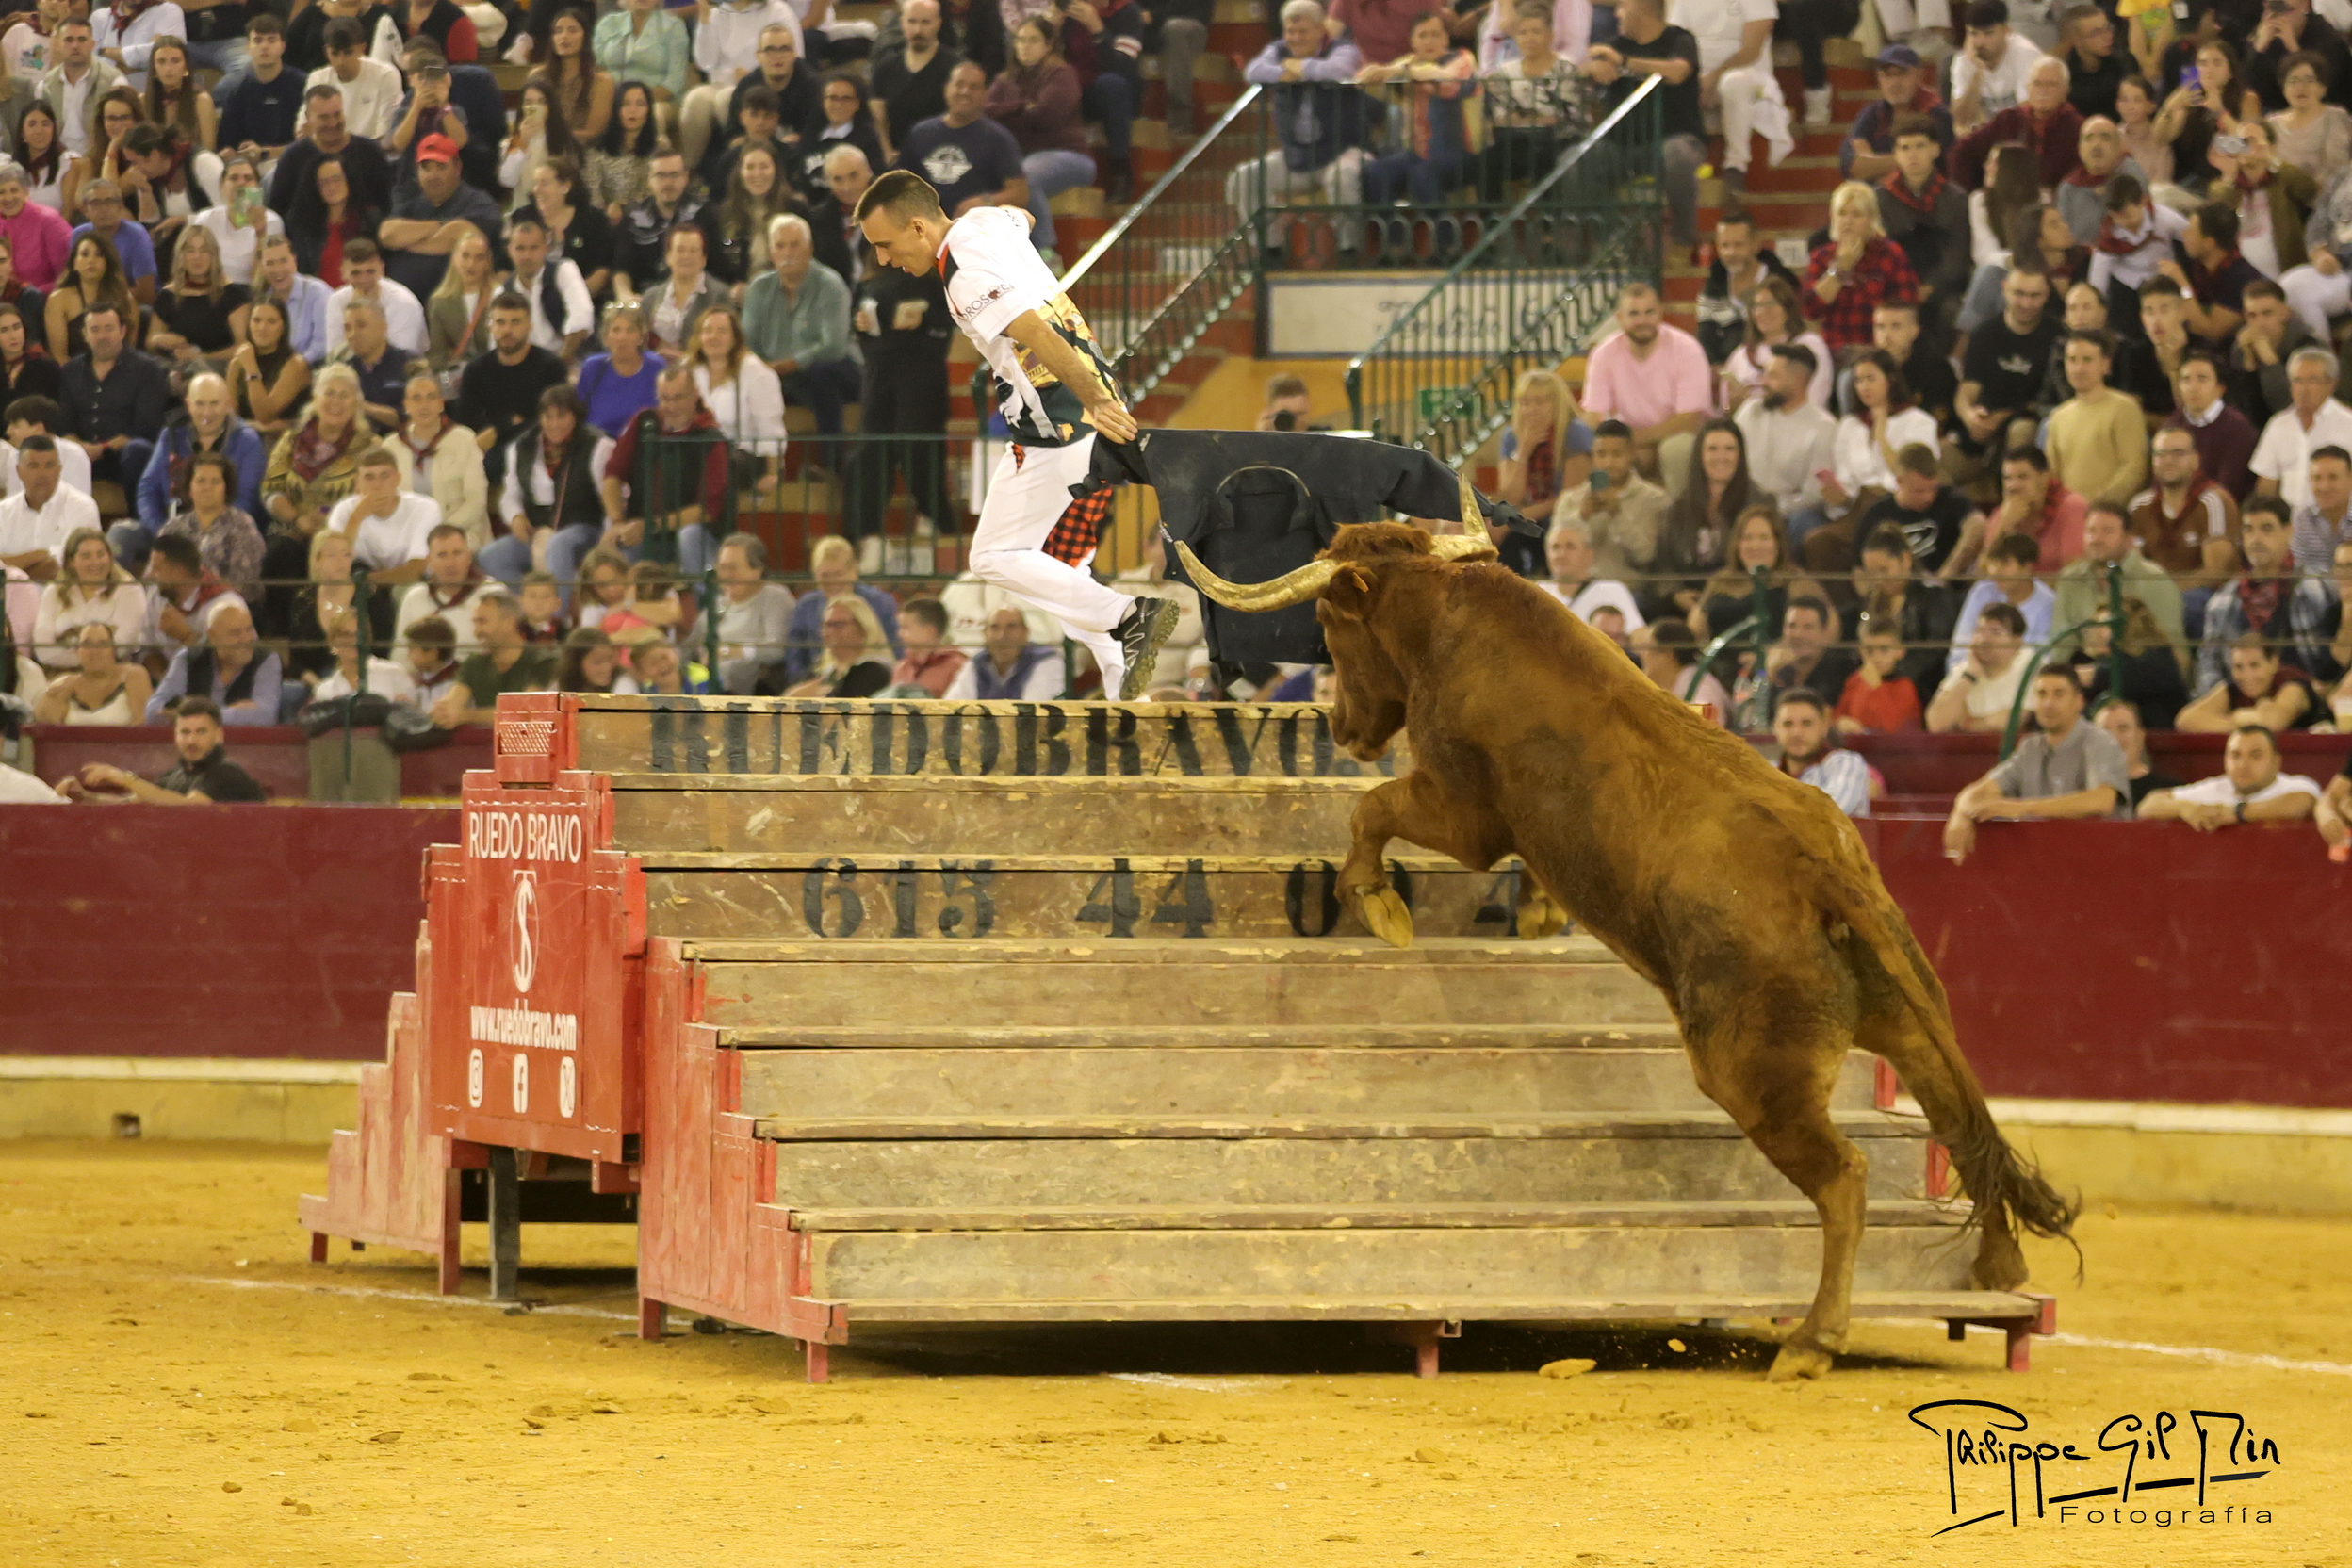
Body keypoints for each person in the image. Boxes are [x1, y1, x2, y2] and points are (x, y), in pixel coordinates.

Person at [843, 202, 950, 561]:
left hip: (920, 375)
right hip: (879, 375)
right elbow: (861, 322)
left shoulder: (930, 275)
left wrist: (924, 319)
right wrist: (860, 325)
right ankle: (868, 533)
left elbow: (948, 319)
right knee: (871, 452)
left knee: (918, 448)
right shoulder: (868, 280)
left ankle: (933, 516)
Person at [1943, 663, 2130, 860]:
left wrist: (2021, 807)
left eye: (2058, 694)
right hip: (2044, 861)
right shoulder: (2030, 749)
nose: (2048, 703)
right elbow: (1979, 791)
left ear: (2078, 701)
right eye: (2041, 694)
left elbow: (2102, 800)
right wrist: (1960, 814)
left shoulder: (2100, 742)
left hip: (2101, 859)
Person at [743, 211, 860, 461]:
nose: (787, 253)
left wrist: (787, 365)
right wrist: (762, 369)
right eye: (780, 246)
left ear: (810, 249)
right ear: (771, 253)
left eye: (795, 245)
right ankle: (750, 465)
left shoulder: (830, 285)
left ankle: (832, 463)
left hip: (833, 369)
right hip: (778, 374)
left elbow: (834, 347)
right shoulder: (759, 288)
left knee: (822, 374)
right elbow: (748, 343)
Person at [1581, 281, 1712, 480]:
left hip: (1677, 435)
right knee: (1593, 447)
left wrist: (1635, 439)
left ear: (1660, 312)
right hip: (1628, 438)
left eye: (1649, 312)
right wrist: (1622, 444)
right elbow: (1593, 416)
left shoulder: (1687, 350)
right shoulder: (1604, 353)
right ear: (1620, 318)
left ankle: (1681, 502)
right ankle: (1599, 498)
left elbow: (1689, 420)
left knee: (1676, 449)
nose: (1643, 320)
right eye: (1634, 314)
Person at [485, 383, 610, 591]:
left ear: (575, 416)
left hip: (584, 527)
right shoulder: (521, 447)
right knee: (490, 556)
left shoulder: (598, 446)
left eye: (561, 416)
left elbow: (611, 500)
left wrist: (608, 539)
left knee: (559, 544)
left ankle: (558, 608)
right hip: (538, 529)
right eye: (548, 417)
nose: (554, 424)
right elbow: (510, 494)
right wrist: (516, 517)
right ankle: (531, 604)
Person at [1951, 267, 2062, 480]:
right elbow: (1968, 389)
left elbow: (2051, 401)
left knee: (2020, 430)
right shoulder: (1984, 334)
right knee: (1936, 460)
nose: (2026, 304)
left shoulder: (2058, 337)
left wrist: (2003, 417)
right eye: (2019, 294)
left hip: (2027, 423)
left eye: (2035, 296)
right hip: (1984, 426)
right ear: (2004, 289)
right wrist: (1970, 416)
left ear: (2047, 294)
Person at [453, 292, 567, 494]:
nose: (507, 330)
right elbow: (467, 419)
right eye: (500, 322)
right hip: (487, 447)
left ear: (529, 326)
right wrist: (508, 423)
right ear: (490, 326)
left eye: (516, 322)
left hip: (537, 446)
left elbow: (550, 420)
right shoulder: (476, 370)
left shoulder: (551, 367)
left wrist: (499, 428)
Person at [896, 57, 1027, 229]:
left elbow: (1020, 194)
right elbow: (901, 184)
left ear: (985, 94)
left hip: (978, 230)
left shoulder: (998, 139)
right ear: (946, 89)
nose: (965, 92)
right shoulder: (920, 133)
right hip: (925, 228)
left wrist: (984, 202)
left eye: (974, 87)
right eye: (959, 84)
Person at [58, 695, 266, 802]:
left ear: (219, 735)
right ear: (175, 735)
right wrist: (87, 797)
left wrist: (125, 779)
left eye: (201, 732)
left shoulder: (227, 773)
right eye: (185, 732)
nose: (191, 740)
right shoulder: (174, 775)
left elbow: (187, 807)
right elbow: (133, 803)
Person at [1650, 417, 1756, 616]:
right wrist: (1676, 594)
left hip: (1739, 601)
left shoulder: (1759, 503)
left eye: (1729, 449)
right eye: (1712, 449)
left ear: (1740, 456)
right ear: (1700, 455)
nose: (1721, 456)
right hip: (1685, 604)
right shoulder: (1678, 508)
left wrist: (1715, 599)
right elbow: (1664, 564)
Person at [377, 134, 502, 302]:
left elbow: (457, 236)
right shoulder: (410, 202)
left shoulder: (478, 202)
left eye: (441, 167)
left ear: (457, 168)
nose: (432, 175)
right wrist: (439, 226)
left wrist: (411, 240)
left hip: (459, 305)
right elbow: (388, 235)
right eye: (426, 168)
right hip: (402, 305)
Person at [1804, 179, 1920, 354]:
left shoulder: (1891, 255)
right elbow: (1810, 310)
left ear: (1872, 219)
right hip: (1836, 351)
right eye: (1842, 213)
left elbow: (1906, 306)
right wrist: (1841, 268)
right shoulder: (1822, 256)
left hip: (1880, 351)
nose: (1848, 221)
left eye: (1856, 214)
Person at [1490, 368, 1589, 574]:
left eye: (1540, 402)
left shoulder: (1575, 433)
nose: (1531, 409)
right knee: (1501, 535)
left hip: (1565, 517)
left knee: (1509, 526)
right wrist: (1523, 452)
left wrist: (1518, 517)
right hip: (1529, 520)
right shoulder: (1511, 437)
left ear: (1557, 403)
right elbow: (1510, 498)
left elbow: (1569, 498)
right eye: (1525, 402)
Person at [1733, 342, 1837, 533]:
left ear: (1798, 380)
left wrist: (1767, 511)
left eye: (1773, 376)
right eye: (1764, 373)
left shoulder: (1823, 427)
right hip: (1740, 505)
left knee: (1805, 521)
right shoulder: (1751, 411)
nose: (1763, 382)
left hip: (1786, 516)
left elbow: (1813, 496)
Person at [2130, 421, 2241, 595]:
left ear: (2196, 460)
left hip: (2207, 596)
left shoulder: (2213, 501)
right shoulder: (2139, 506)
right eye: (2161, 454)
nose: (2168, 461)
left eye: (2178, 454)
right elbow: (2132, 568)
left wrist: (2168, 592)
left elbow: (2216, 573)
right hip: (2153, 594)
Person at [776, 531, 903, 683]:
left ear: (854, 571)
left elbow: (896, 650)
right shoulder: (806, 606)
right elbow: (795, 655)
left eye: (838, 574)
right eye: (825, 576)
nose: (832, 582)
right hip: (817, 681)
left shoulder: (880, 603)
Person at [2140, 723, 2322, 826]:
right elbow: (2148, 805)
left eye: (2255, 755)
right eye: (2235, 755)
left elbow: (2299, 804)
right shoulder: (2216, 788)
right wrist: (2184, 808)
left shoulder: (2297, 786)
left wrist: (2235, 813)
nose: (2243, 764)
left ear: (2276, 762)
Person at [2042, 329, 2148, 507]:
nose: (2078, 368)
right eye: (2072, 360)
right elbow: (2052, 475)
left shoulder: (2124, 408)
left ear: (2105, 365)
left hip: (2111, 513)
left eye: (2087, 360)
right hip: (2068, 514)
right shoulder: (2059, 417)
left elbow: (2134, 468)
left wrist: (2098, 506)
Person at [386, 371, 489, 552]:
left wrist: (440, 533)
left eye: (431, 397)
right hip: (409, 538)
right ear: (406, 405)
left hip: (460, 533)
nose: (424, 405)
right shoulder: (391, 447)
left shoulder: (463, 439)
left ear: (441, 403)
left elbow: (476, 500)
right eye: (416, 398)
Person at [1954, 54, 2082, 190]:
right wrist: (1970, 193)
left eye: (2052, 85)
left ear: (2066, 90)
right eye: (2037, 84)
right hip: (2006, 198)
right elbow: (1962, 151)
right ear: (2028, 88)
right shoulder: (2009, 120)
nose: (2043, 91)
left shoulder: (2078, 128)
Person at [429, 589, 555, 727]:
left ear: (509, 623)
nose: (477, 631)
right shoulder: (474, 663)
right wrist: (444, 712)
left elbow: (525, 713)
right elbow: (454, 701)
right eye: (475, 623)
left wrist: (467, 715)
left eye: (482, 622)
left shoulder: (543, 661)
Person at [144, 597, 281, 723]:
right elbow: (153, 710)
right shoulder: (188, 658)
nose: (246, 639)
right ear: (212, 636)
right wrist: (231, 714)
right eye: (235, 633)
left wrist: (190, 715)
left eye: (249, 629)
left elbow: (264, 716)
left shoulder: (267, 660)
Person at [1563, 417, 1665, 585]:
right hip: (1580, 589)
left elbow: (1646, 556)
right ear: (1593, 456)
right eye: (1601, 454)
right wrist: (1581, 517)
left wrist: (1618, 515)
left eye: (1617, 454)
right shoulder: (1570, 499)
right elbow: (1557, 553)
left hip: (1630, 591)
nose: (1608, 463)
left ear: (1632, 453)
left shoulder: (1654, 499)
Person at [2250, 345, 2352, 511]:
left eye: (2312, 381)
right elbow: (2267, 485)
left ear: (2331, 384)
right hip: (2288, 523)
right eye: (2297, 380)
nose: (2303, 389)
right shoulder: (2278, 425)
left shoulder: (2348, 424)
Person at [1692, 209, 1796, 368]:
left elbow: (1794, 329)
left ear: (1756, 244)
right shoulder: (1712, 288)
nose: (1731, 253)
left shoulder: (1783, 283)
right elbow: (1706, 339)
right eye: (1725, 245)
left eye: (1738, 245)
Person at [32, 524, 145, 670]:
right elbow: (43, 649)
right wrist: (93, 655)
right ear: (71, 562)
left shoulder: (129, 590)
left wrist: (71, 649)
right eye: (86, 556)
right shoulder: (54, 591)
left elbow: (121, 647)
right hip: (60, 673)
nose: (95, 562)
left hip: (114, 672)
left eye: (100, 554)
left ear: (110, 557)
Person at [1840, 42, 1952, 183]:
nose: (1895, 83)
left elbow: (1934, 168)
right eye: (1887, 75)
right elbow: (1851, 167)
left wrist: (1874, 165)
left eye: (1903, 74)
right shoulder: (1873, 113)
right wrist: (1909, 160)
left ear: (1919, 75)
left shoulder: (1937, 114)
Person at [1720, 274, 1832, 412]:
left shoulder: (1810, 345)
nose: (1763, 311)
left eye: (1771, 304)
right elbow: (1725, 406)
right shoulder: (1741, 355)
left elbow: (1818, 396)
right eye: (1757, 306)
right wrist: (1734, 404)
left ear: (1787, 308)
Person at [2164, 347, 2261, 500]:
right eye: (2186, 379)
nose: (2192, 387)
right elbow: (2161, 477)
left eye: (2202, 379)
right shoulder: (2173, 424)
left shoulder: (2237, 428)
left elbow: (2228, 486)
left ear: (2220, 388)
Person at [1928, 597, 2033, 732]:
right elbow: (1936, 724)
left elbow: (2012, 720)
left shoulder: (2031, 665)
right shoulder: (1967, 669)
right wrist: (1970, 676)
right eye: (1979, 631)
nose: (1984, 639)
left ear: (2017, 642)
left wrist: (1966, 722)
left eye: (1995, 632)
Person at [2180, 629, 2319, 731]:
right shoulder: (2233, 688)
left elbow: (2274, 723)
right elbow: (2185, 720)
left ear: (2273, 663)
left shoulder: (2292, 683)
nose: (2246, 675)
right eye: (2238, 667)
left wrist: (2226, 719)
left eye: (2254, 665)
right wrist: (2238, 720)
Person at [0, 431, 94, 578]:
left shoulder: (82, 507)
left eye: (49, 465)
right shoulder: (3, 511)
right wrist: (38, 555)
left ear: (59, 470)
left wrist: (8, 566)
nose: (42, 473)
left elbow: (58, 568)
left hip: (63, 592)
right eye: (33, 466)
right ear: (19, 471)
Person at [709, 530, 793, 692]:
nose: (726, 575)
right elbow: (694, 643)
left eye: (733, 568)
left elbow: (777, 649)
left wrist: (733, 652)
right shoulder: (718, 603)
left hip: (750, 684)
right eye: (722, 568)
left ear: (757, 570)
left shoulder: (775, 597)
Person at [1769, 687, 1870, 815]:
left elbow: (1830, 811)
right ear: (1775, 728)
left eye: (1806, 723)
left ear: (1824, 727)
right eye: (1788, 724)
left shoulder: (1847, 764)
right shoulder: (1766, 772)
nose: (1796, 732)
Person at [34, 618, 153, 722]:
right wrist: (54, 699)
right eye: (87, 644)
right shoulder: (64, 683)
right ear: (77, 651)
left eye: (103, 644)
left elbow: (142, 722)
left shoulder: (132, 675)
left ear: (113, 650)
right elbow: (45, 728)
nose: (95, 651)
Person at [1951, 0, 2042, 134]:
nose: (1980, 42)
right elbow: (1960, 120)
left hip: (2020, 135)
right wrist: (1978, 73)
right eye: (1973, 34)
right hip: (1987, 137)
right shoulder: (1964, 61)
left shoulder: (2025, 54)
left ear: (2006, 31)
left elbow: (2030, 115)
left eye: (1988, 33)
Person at [939, 602, 1060, 699]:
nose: (1002, 636)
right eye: (995, 628)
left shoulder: (1046, 661)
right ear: (985, 634)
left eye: (1011, 627)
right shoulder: (977, 663)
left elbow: (1034, 713)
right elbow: (953, 707)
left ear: (1026, 632)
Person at [307, 604, 420, 705]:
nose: (354, 641)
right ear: (332, 641)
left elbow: (415, 715)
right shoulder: (325, 691)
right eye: (345, 635)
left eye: (359, 635)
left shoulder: (394, 673)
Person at [1834, 611, 1923, 733]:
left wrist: (1877, 688)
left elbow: (1895, 729)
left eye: (1884, 649)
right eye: (1869, 650)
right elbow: (1838, 716)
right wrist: (1841, 723)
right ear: (1861, 651)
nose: (1876, 658)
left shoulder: (1905, 687)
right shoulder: (1854, 681)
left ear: (1900, 651)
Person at [1635, 617, 1733, 716]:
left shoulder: (1700, 687)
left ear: (1668, 655)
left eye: (1648, 648)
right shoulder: (1670, 686)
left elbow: (1706, 722)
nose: (1642, 655)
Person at [2096, 697, 2179, 808]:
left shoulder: (2169, 790)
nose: (2114, 738)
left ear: (2140, 736)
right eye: (2105, 731)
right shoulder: (2081, 790)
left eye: (2123, 728)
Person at [890, 595, 966, 695]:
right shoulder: (902, 668)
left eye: (906, 628)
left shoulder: (958, 668)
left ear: (929, 631)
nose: (900, 634)